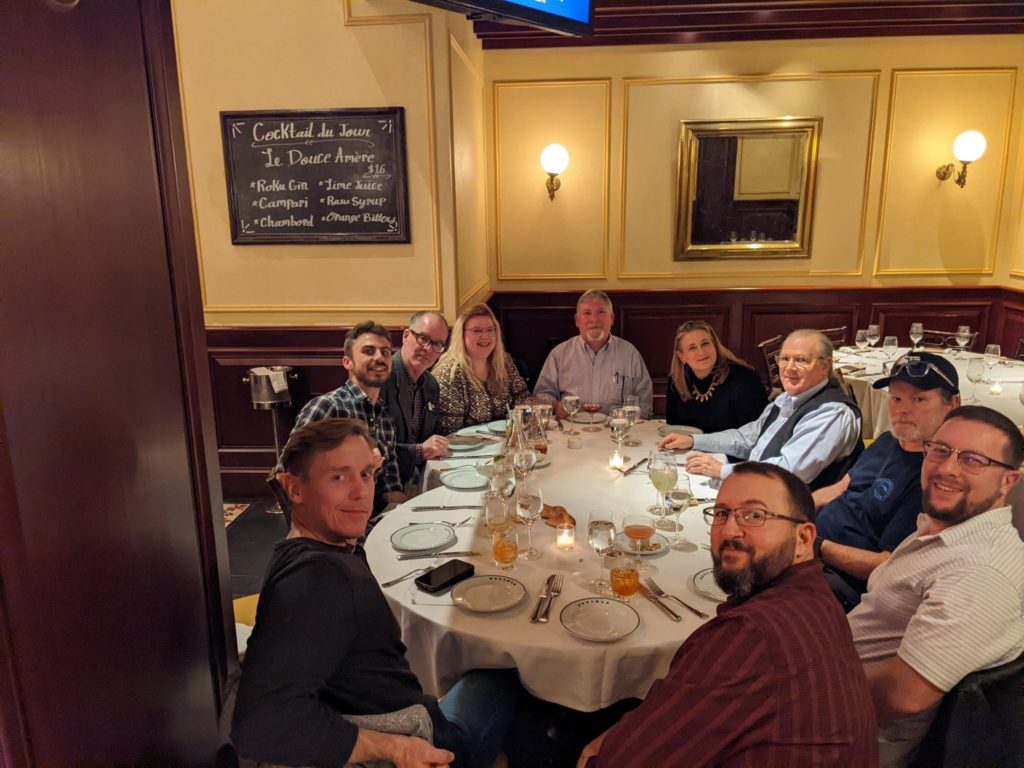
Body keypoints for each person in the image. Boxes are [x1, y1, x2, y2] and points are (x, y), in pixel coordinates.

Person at [233, 418, 522, 768]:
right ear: (294, 488)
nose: (361, 493)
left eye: (366, 474)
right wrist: (395, 748)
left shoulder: (307, 553)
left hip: (396, 711)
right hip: (428, 743)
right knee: (509, 669)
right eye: (339, 477)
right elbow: (259, 726)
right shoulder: (317, 581)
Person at [577, 462, 877, 767]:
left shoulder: (752, 634)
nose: (729, 531)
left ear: (803, 539)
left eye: (755, 515)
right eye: (721, 513)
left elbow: (621, 761)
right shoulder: (818, 598)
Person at [848, 405, 1024, 767]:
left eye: (972, 460)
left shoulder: (979, 572)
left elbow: (902, 698)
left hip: (847, 738)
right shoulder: (949, 530)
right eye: (940, 450)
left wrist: (804, 695)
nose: (947, 468)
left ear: (1008, 481)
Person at [813, 353, 960, 609]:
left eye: (919, 399)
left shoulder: (936, 478)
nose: (901, 409)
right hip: (809, 549)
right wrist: (791, 511)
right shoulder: (887, 441)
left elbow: (887, 564)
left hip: (838, 583)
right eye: (895, 398)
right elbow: (839, 489)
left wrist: (814, 546)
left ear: (953, 404)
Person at [659, 329, 862, 490]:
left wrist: (722, 471)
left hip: (793, 513)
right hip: (757, 490)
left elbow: (789, 471)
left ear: (825, 366)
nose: (789, 368)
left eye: (801, 360)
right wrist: (693, 440)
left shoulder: (831, 413)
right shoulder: (785, 400)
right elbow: (746, 438)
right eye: (784, 359)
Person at [286, 320, 406, 517]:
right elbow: (288, 471)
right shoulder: (329, 407)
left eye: (385, 352)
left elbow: (391, 485)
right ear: (347, 362)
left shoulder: (384, 416)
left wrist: (405, 511)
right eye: (369, 351)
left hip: (373, 516)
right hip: (332, 519)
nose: (379, 357)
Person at [534, 290, 653, 417]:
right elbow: (541, 396)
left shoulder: (630, 355)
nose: (594, 319)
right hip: (572, 427)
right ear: (577, 320)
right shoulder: (559, 355)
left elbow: (644, 405)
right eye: (587, 313)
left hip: (617, 427)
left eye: (601, 312)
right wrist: (555, 406)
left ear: (612, 318)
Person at [434, 303, 530, 434]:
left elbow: (523, 397)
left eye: (490, 330)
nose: (485, 336)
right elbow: (450, 432)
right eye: (477, 331)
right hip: (465, 445)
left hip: (506, 439)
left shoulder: (503, 361)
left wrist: (524, 412)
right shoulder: (450, 372)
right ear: (461, 334)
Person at [381, 310, 450, 488]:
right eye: (423, 338)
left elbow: (435, 433)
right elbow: (372, 450)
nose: (428, 348)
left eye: (437, 344)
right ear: (406, 336)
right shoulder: (381, 379)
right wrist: (420, 451)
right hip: (383, 487)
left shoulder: (431, 384)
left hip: (416, 479)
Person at [665, 319, 767, 431]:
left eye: (705, 344)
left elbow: (753, 433)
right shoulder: (676, 382)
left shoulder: (744, 379)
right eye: (692, 348)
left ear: (715, 345)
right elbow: (674, 428)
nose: (701, 352)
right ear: (682, 357)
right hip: (688, 442)